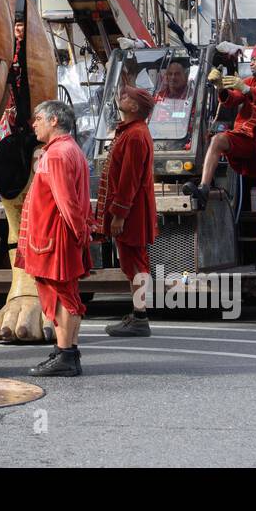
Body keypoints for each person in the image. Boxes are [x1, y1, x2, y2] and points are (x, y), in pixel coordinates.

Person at [191, 43, 256, 271]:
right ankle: (204, 189)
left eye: (255, 60)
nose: (251, 64)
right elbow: (231, 100)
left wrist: (247, 90)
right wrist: (220, 86)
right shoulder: (249, 82)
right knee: (218, 140)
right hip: (248, 140)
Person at [18, 100, 92, 377]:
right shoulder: (68, 150)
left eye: (38, 118)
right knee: (66, 294)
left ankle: (66, 355)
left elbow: (66, 202)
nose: (34, 123)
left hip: (55, 237)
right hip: (61, 235)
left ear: (53, 121)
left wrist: (78, 233)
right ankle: (68, 350)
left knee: (61, 296)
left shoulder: (57, 154)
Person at [98, 86, 158, 337]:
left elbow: (129, 179)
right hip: (131, 209)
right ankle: (138, 314)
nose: (121, 99)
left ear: (134, 107)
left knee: (134, 262)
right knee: (133, 262)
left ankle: (140, 317)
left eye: (126, 97)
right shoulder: (132, 132)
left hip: (131, 212)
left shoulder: (134, 135)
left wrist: (119, 215)